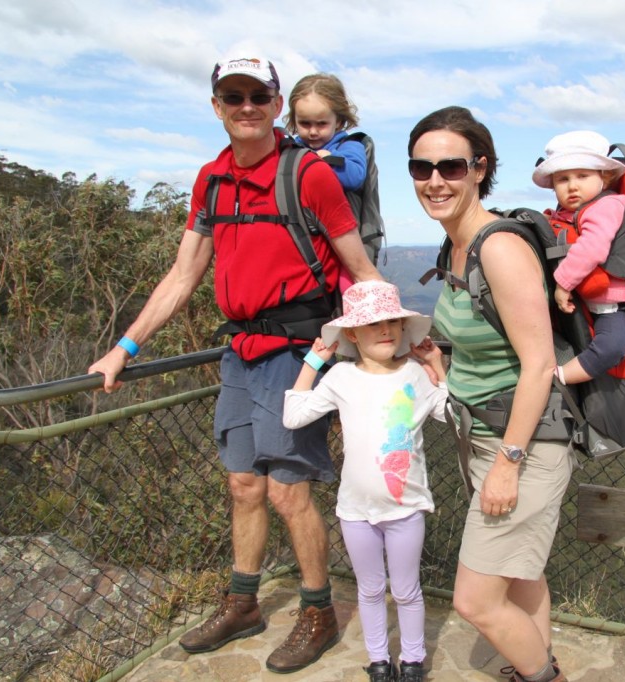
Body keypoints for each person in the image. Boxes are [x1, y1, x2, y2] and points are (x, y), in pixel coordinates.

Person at [88, 53, 381, 674]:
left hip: (297, 354)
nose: (246, 107)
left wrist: (404, 346)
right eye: (233, 96)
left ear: (277, 106)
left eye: (257, 96)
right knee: (242, 484)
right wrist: (126, 345)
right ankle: (243, 602)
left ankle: (317, 611)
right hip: (240, 352)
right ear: (217, 107)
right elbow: (183, 274)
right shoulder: (211, 180)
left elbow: (359, 268)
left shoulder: (308, 175)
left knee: (287, 492)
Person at [407, 106, 571, 682]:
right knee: (522, 578)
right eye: (421, 167)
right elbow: (481, 344)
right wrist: (438, 361)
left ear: (480, 169)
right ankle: (534, 663)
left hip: (521, 445)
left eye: (450, 166)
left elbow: (539, 365)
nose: (435, 180)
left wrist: (508, 462)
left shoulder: (497, 247)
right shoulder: (453, 247)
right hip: (482, 434)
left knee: (475, 601)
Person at [282, 280, 447, 682]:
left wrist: (437, 369)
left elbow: (451, 415)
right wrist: (312, 363)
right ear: (353, 334)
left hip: (406, 507)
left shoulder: (414, 374)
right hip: (356, 510)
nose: (387, 330)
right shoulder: (340, 377)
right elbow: (294, 416)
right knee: (370, 590)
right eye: (374, 324)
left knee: (407, 590)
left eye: (392, 321)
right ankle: (378, 660)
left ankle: (411, 661)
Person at [532, 130, 625, 385]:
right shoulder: (571, 212)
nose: (572, 186)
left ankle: (559, 379)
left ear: (606, 176)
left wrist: (564, 283)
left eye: (582, 175)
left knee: (612, 347)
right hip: (588, 304)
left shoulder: (607, 206)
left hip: (613, 306)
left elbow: (593, 246)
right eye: (563, 179)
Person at [284, 72, 367, 291]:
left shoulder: (349, 146)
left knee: (348, 288)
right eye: (304, 123)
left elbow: (355, 176)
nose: (312, 131)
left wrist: (323, 162)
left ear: (338, 121)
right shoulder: (291, 149)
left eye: (321, 123)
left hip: (343, 238)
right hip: (304, 238)